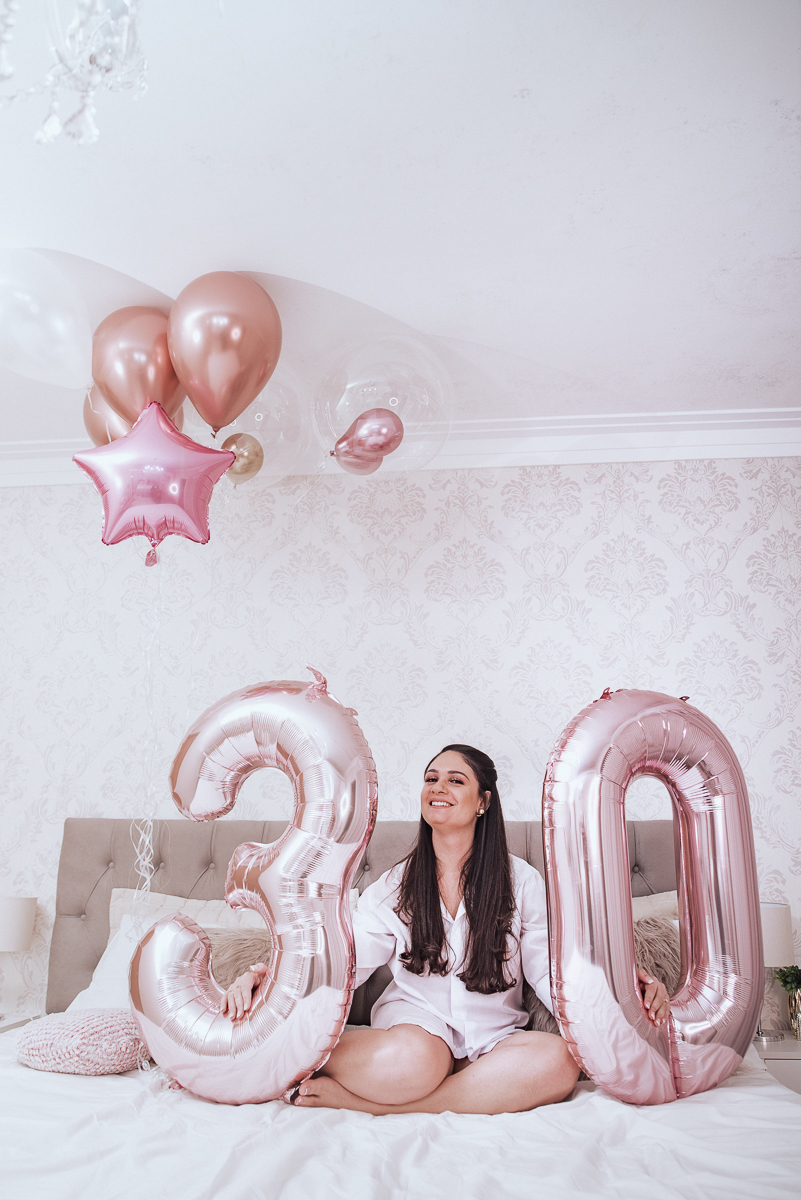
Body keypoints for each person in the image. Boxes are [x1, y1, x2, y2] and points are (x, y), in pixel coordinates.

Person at [222, 744, 670, 1114]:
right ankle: (387, 1081)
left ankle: (385, 1107)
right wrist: (274, 982)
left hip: (494, 1042)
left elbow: (550, 973)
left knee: (558, 1060)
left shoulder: (522, 881)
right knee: (415, 1062)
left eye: (456, 780)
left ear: (483, 802)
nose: (438, 787)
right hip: (415, 1032)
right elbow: (345, 961)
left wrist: (619, 996)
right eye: (431, 778)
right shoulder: (394, 885)